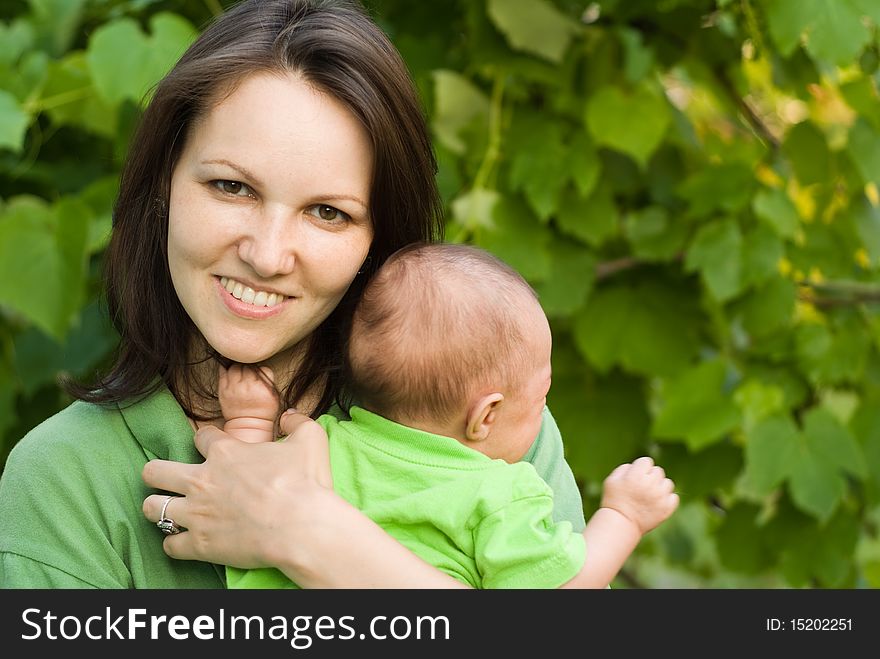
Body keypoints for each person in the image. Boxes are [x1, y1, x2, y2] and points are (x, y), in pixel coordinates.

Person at [0, 0, 586, 589]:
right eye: (232, 187)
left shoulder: (481, 411)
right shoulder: (62, 477)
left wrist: (312, 537)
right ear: (163, 183)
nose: (268, 255)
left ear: (379, 237)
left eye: (328, 212)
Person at [219, 243, 679, 589]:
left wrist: (251, 421)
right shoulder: (500, 493)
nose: (544, 416)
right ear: (485, 416)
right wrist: (624, 516)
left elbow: (240, 490)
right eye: (541, 398)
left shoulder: (319, 440)